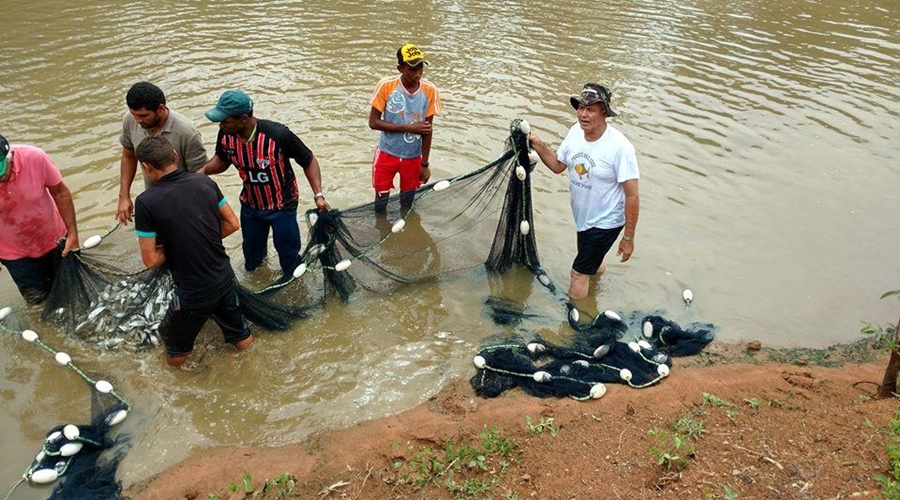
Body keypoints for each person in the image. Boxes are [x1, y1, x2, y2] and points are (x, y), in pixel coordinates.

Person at [133, 135, 252, 367]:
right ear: (175, 156)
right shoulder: (205, 183)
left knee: (175, 348)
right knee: (240, 334)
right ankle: (251, 367)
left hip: (192, 290)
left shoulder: (146, 202)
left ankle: (178, 392)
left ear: (146, 167)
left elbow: (150, 259)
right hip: (224, 276)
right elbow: (232, 224)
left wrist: (177, 246)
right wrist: (200, 240)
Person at [199, 89, 330, 276]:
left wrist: (318, 195)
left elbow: (308, 160)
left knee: (289, 258)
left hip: (282, 206)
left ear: (243, 118)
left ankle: (294, 289)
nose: (221, 125)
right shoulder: (226, 135)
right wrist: (203, 171)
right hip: (251, 206)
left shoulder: (277, 135)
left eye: (225, 120)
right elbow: (222, 159)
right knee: (252, 259)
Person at [529, 83, 640, 300]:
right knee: (590, 263)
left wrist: (628, 237)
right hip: (584, 218)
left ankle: (576, 325)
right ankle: (596, 287)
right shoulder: (574, 133)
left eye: (590, 109)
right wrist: (539, 145)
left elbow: (632, 196)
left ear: (605, 113)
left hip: (607, 221)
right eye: (580, 108)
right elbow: (558, 166)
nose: (583, 114)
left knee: (578, 273)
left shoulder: (620, 148)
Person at [0, 135, 80, 304]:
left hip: (55, 239)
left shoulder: (34, 157)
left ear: (10, 157)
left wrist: (73, 234)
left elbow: (60, 192)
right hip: (14, 254)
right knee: (37, 301)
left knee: (72, 290)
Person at [116, 81, 208, 224]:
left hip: (184, 200)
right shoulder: (130, 119)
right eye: (134, 115)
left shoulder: (187, 133)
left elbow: (199, 175)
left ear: (160, 109)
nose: (138, 120)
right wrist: (124, 195)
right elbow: (128, 156)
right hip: (154, 199)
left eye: (144, 115)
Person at [368, 43, 443, 210]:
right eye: (412, 69)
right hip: (387, 153)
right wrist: (409, 128)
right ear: (400, 68)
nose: (417, 74)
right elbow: (373, 122)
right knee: (380, 201)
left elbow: (427, 130)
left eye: (420, 69)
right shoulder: (386, 86)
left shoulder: (430, 90)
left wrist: (424, 164)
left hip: (413, 157)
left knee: (407, 203)